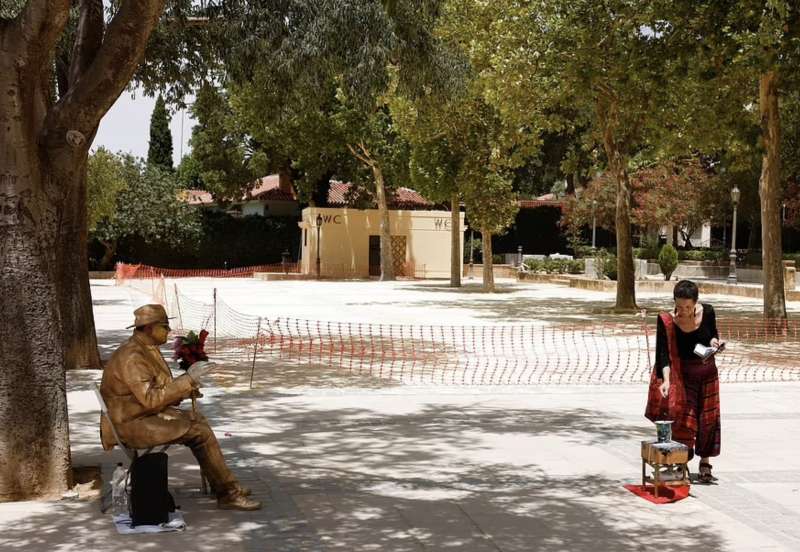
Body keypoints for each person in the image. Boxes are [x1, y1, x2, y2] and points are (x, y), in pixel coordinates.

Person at [99, 304, 262, 510]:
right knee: (199, 431)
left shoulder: (144, 348)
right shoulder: (133, 356)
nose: (168, 331)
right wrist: (187, 380)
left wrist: (187, 388)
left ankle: (223, 484)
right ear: (149, 329)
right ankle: (228, 493)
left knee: (198, 421)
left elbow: (158, 391)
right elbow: (151, 399)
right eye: (164, 327)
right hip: (131, 424)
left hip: (138, 414)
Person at [648, 279, 723, 484]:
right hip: (684, 377)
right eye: (679, 306)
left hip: (708, 373)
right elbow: (663, 354)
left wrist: (714, 343)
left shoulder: (707, 312)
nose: (683, 311)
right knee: (686, 422)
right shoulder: (667, 321)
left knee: (708, 419)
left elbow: (712, 335)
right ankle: (682, 465)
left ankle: (705, 462)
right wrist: (666, 380)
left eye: (688, 307)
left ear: (696, 303)